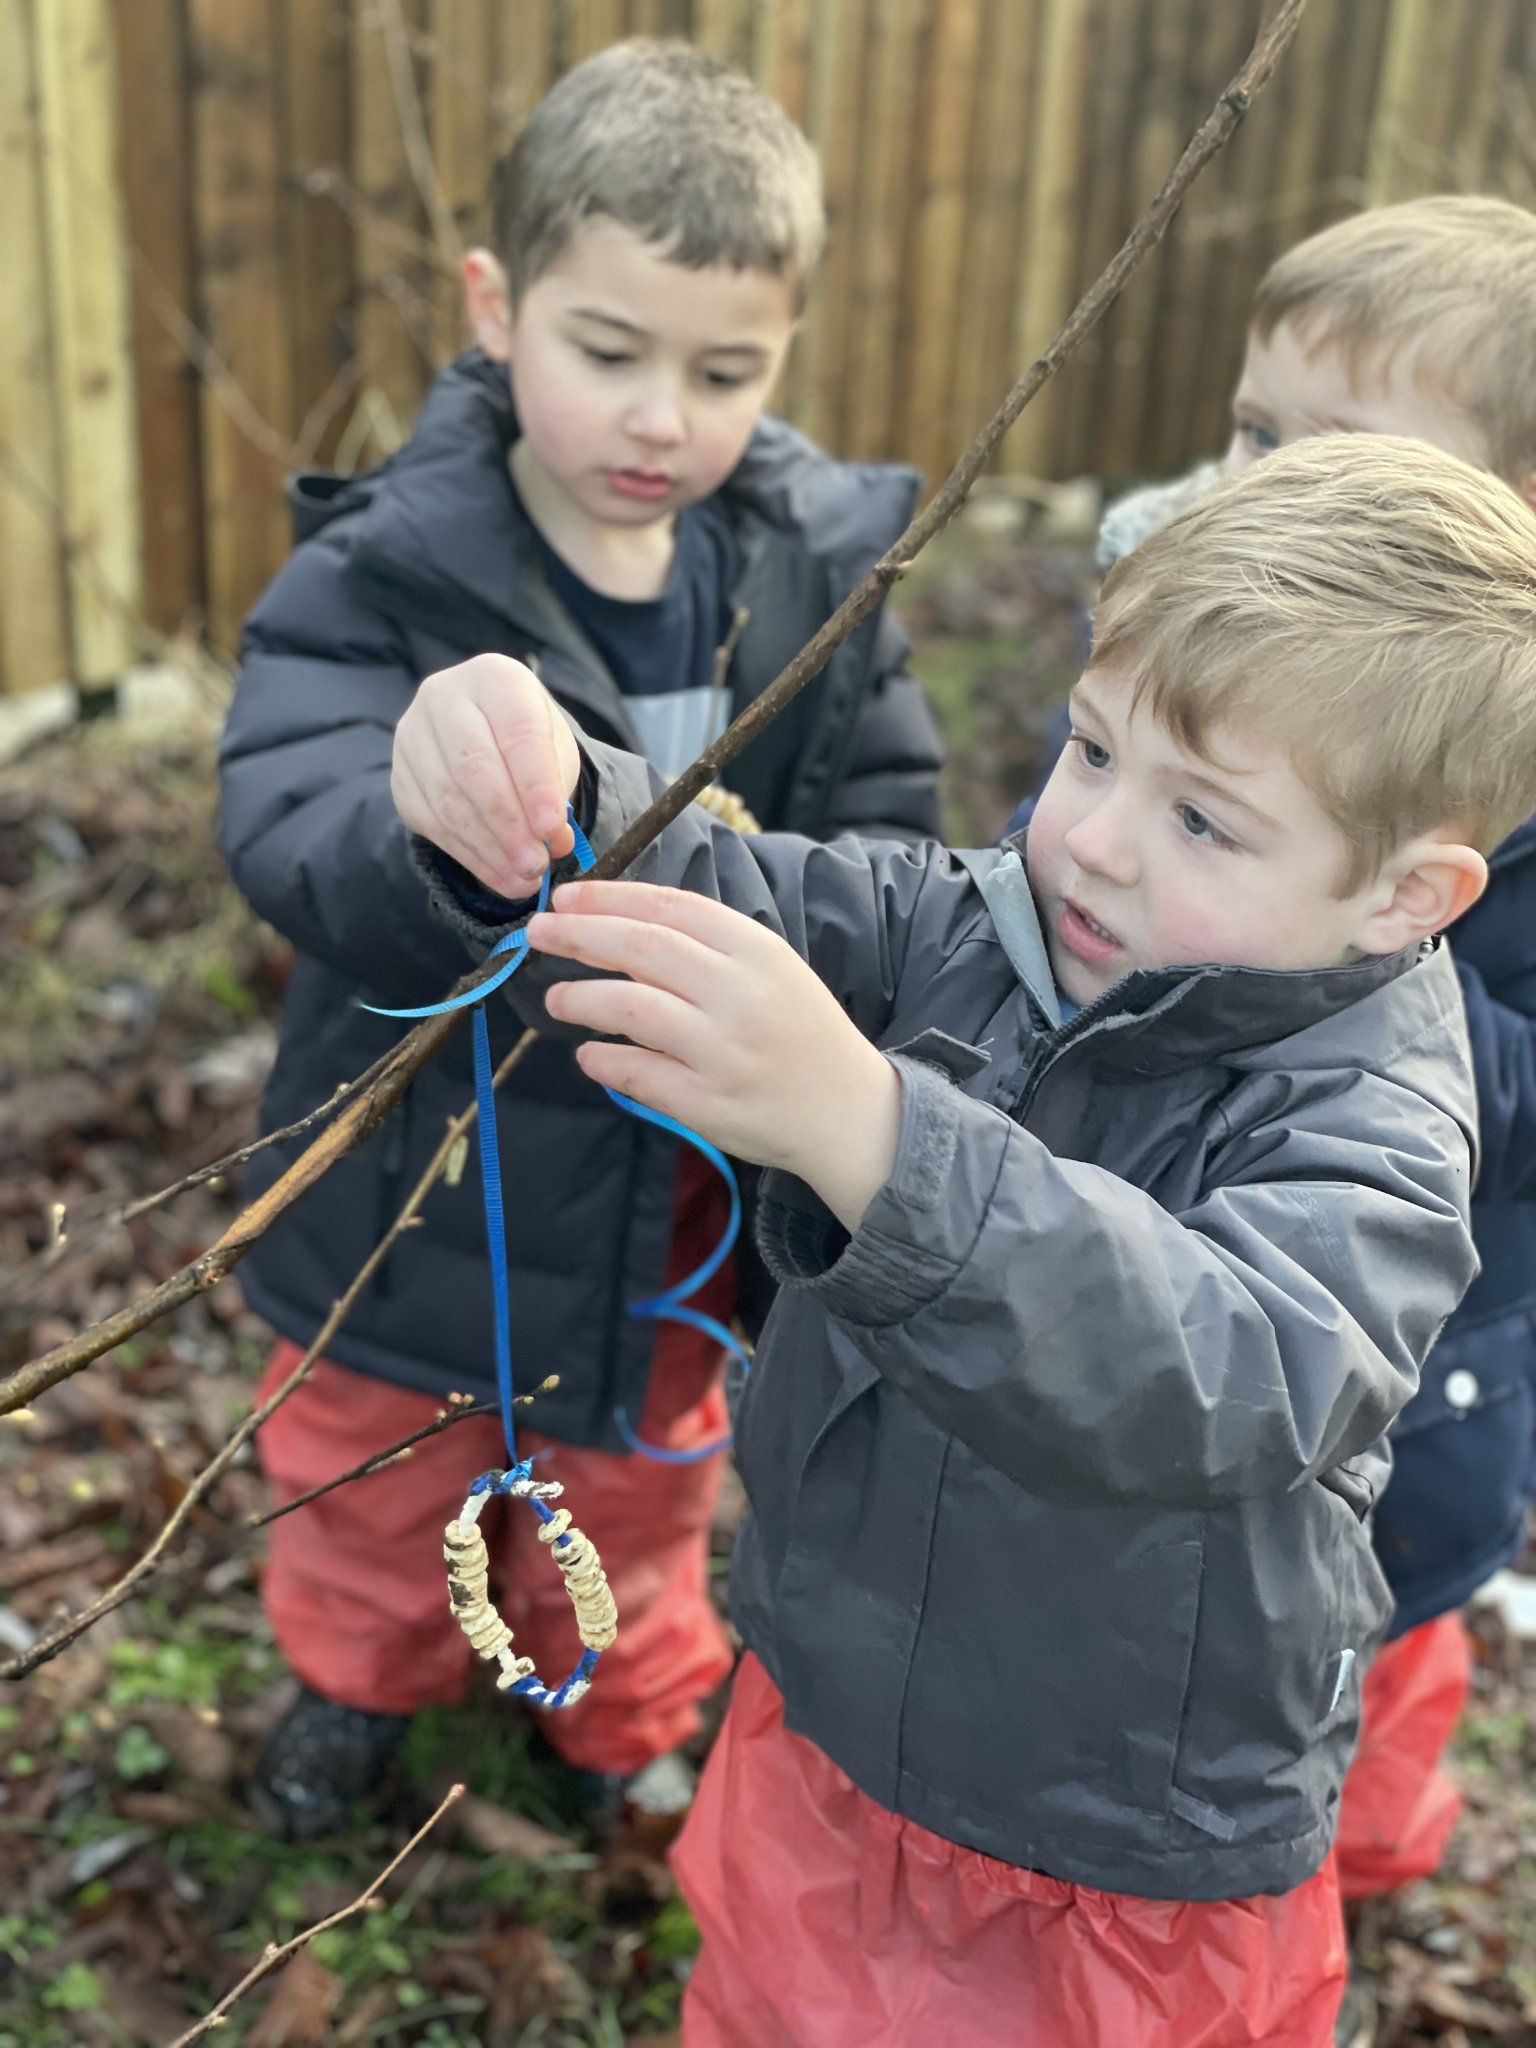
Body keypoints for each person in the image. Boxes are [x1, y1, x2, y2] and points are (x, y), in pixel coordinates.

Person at [393, 436, 1536, 2047]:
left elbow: (1228, 1369)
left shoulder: (1379, 1117)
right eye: (1091, 750)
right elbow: (744, 898)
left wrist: (873, 1135)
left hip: (1119, 1835)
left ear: (1406, 894)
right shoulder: (990, 922)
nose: (1095, 841)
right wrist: (547, 796)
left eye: (1204, 821)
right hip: (829, 1717)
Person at [217, 37, 944, 1840]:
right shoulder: (387, 572)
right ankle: (356, 1683)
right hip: (416, 1169)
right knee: (374, 1470)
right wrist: (425, 833)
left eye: (725, 372)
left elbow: (888, 839)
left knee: (630, 1482)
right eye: (608, 354)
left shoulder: (810, 576)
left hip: (665, 1187)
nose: (659, 421)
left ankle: (617, 1716)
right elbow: (289, 821)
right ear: (496, 307)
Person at [1047, 197, 1536, 1918]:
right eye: (1252, 431)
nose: (1253, 490)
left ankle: (1367, 1860)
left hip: (1412, 1403)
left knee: (1370, 1651)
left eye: (1335, 459)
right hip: (1181, 1311)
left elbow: (1508, 1105)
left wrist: (1359, 949)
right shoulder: (1214, 684)